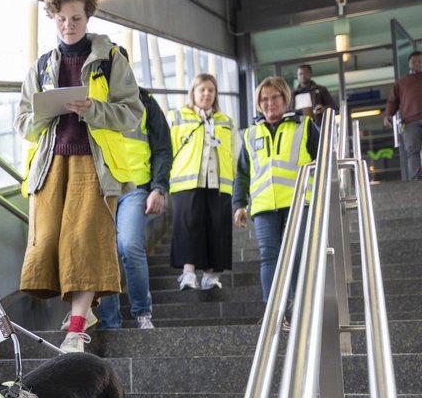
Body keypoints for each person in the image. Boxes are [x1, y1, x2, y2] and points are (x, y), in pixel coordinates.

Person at [15, 0, 142, 353]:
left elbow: (132, 112)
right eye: (61, 19)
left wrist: (95, 110)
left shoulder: (112, 58)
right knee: (49, 244)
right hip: (51, 164)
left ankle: (75, 330)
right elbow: (23, 122)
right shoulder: (40, 66)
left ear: (88, 18)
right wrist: (46, 113)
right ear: (53, 19)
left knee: (85, 243)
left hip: (95, 163)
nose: (68, 26)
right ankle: (81, 315)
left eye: (75, 18)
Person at [233, 75, 319, 316]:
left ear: (285, 98)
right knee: (269, 256)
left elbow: (324, 157)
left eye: (274, 97)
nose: (269, 103)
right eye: (264, 99)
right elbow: (242, 173)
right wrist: (239, 204)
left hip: (298, 201)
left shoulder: (304, 126)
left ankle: (299, 306)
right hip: (263, 207)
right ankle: (274, 312)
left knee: (298, 252)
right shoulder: (251, 134)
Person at [97, 86, 171, 330]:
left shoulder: (146, 102)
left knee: (129, 244)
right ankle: (109, 323)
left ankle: (142, 313)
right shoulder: (93, 100)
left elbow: (162, 147)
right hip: (101, 189)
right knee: (103, 253)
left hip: (135, 187)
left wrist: (158, 188)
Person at [168, 74, 237, 292]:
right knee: (189, 226)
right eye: (202, 90)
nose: (206, 94)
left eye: (211, 90)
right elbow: (167, 148)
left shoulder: (226, 121)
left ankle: (210, 276)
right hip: (186, 182)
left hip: (219, 183)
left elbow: (235, 154)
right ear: (193, 93)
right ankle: (188, 274)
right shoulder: (178, 116)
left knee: (215, 228)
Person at [383, 50, 422, 181]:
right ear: (409, 64)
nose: (417, 63)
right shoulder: (401, 83)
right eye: (414, 61)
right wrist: (388, 115)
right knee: (412, 151)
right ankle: (416, 179)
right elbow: (392, 102)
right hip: (410, 122)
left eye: (420, 61)